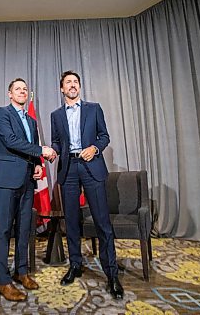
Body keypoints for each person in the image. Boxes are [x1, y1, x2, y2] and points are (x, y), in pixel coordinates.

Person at [50, 70, 124, 299]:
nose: (72, 85)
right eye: (68, 83)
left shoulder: (94, 108)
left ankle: (111, 274)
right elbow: (55, 141)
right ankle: (75, 265)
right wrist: (53, 151)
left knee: (102, 222)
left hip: (91, 167)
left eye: (75, 82)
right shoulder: (56, 115)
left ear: (79, 87)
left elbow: (104, 136)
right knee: (71, 222)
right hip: (69, 169)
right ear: (62, 89)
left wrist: (95, 148)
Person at [0, 78, 57, 302]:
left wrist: (38, 164)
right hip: (6, 181)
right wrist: (43, 150)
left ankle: (21, 272)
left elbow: (30, 150)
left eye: (25, 89)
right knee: (4, 231)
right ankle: (3, 281)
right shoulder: (1, 113)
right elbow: (10, 141)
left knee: (25, 230)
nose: (22, 91)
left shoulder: (30, 120)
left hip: (28, 182)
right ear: (10, 94)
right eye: (17, 89)